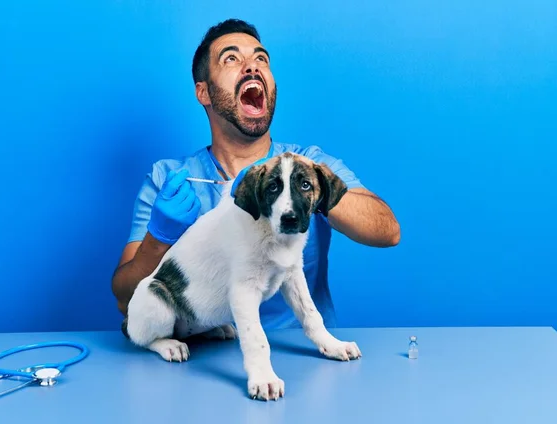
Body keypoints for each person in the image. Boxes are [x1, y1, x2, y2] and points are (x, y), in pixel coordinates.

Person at [111, 18, 400, 330]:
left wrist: (309, 187)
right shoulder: (169, 179)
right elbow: (126, 299)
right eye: (232, 59)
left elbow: (387, 231)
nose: (252, 67)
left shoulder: (309, 163)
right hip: (203, 352)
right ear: (203, 92)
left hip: (301, 350)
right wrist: (159, 238)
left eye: (260, 58)